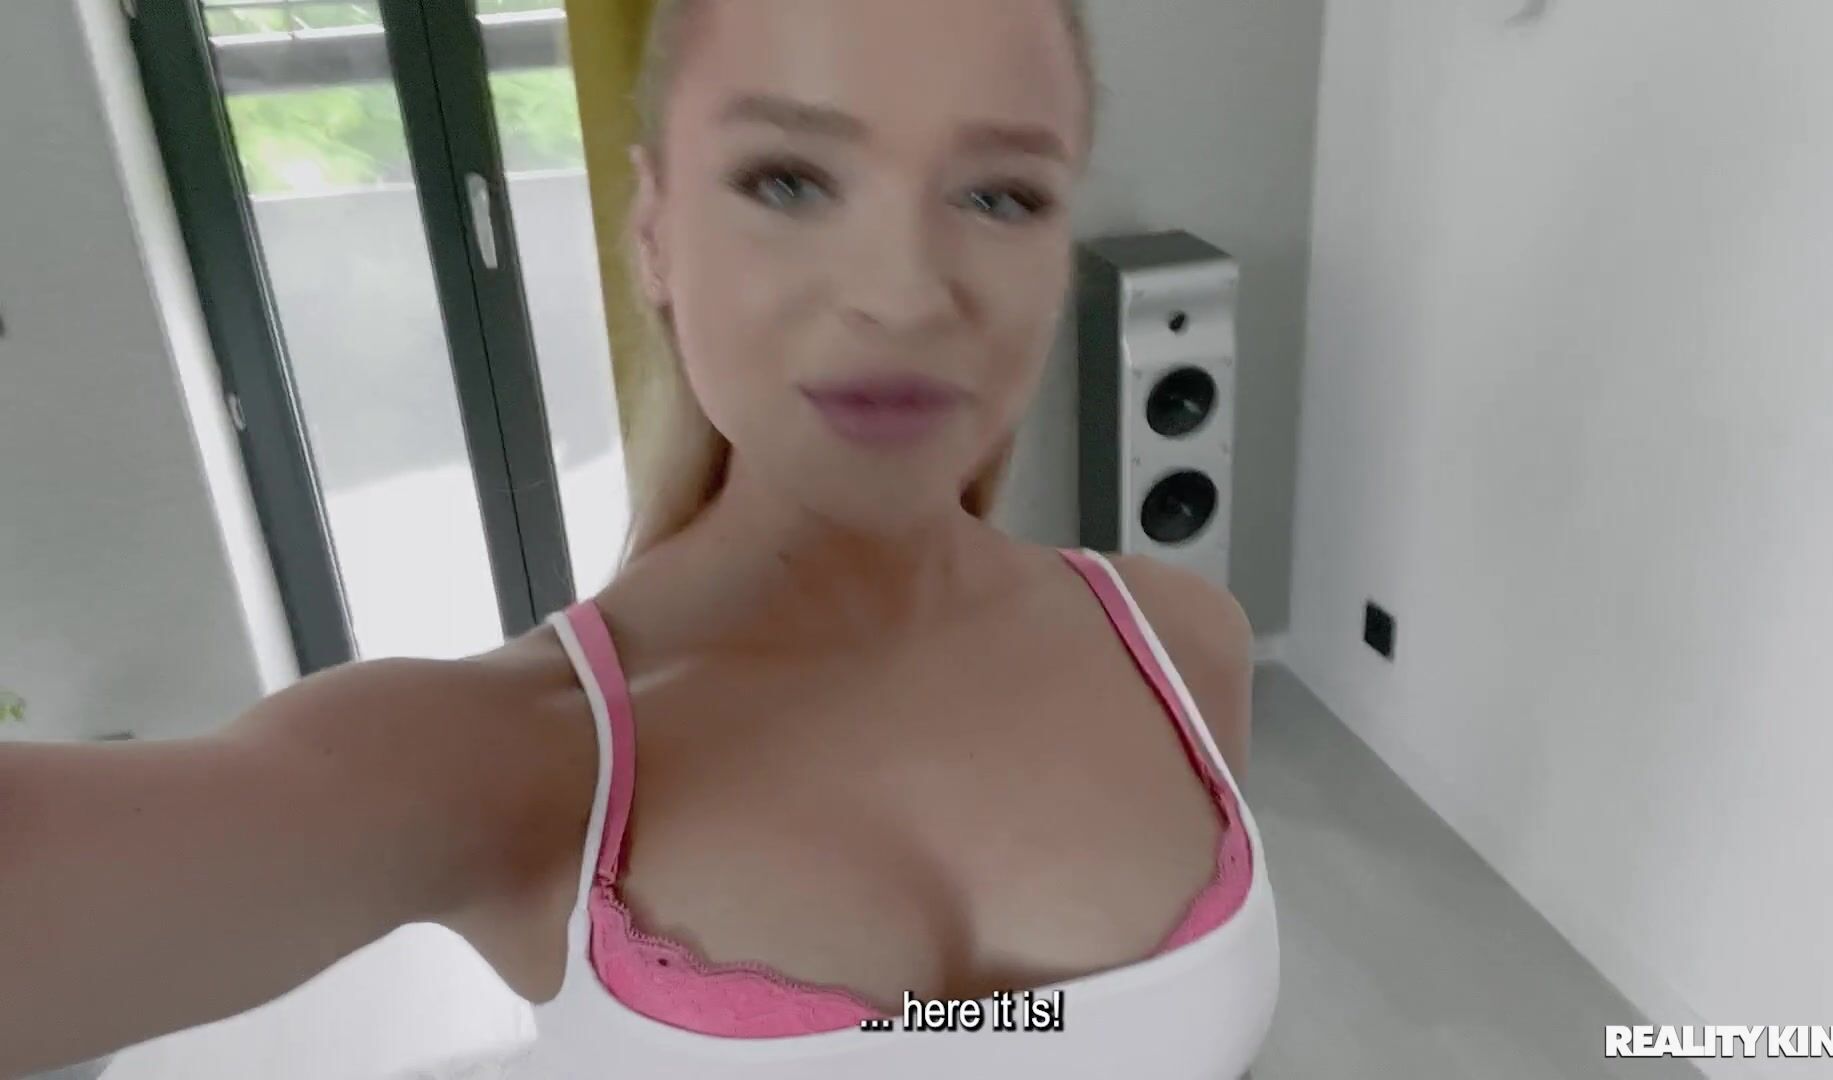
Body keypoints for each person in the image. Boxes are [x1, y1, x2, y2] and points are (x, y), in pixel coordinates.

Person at [0, 0, 1278, 1076]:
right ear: (654, 233)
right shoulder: (506, 765)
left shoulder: (1181, 646)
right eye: (787, 180)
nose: (899, 294)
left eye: (1000, 195)